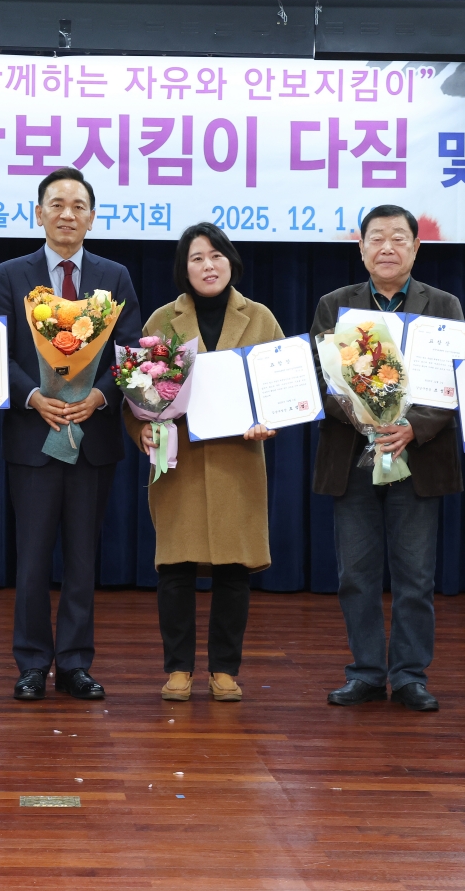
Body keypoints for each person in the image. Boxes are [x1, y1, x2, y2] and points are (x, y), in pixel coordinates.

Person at [0, 167, 141, 701]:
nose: (67, 214)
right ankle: (31, 663)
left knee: (82, 558)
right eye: (56, 204)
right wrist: (33, 396)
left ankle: (74, 662)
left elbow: (129, 354)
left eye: (78, 205)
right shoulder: (11, 273)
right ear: (38, 213)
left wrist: (100, 397)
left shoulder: (114, 276)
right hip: (32, 436)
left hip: (91, 439)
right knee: (30, 560)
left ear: (92, 217)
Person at [310, 205, 464, 711]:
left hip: (417, 458)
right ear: (361, 248)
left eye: (399, 238)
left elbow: (450, 384)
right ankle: (367, 672)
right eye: (376, 239)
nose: (387, 248)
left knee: (416, 577)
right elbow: (325, 380)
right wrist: (365, 420)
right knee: (356, 573)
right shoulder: (335, 305)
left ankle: (411, 674)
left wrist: (409, 428)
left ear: (416, 248)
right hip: (352, 455)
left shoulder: (442, 305)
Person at [123, 223, 280, 702]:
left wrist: (268, 419)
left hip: (237, 458)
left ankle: (225, 669)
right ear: (182, 268)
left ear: (230, 260)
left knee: (234, 568)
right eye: (196, 258)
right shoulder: (160, 321)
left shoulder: (259, 318)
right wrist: (142, 430)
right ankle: (178, 669)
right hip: (180, 458)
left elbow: (279, 386)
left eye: (215, 255)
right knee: (176, 565)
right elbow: (136, 397)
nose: (207, 265)